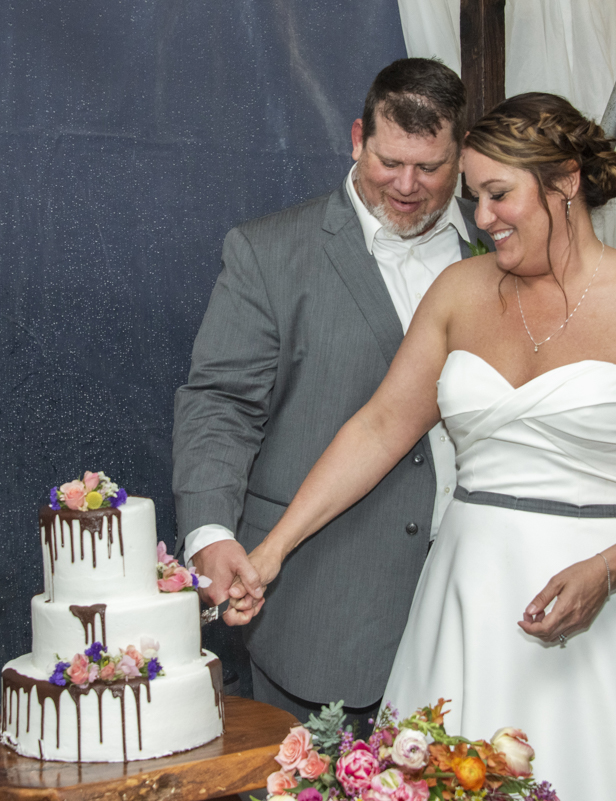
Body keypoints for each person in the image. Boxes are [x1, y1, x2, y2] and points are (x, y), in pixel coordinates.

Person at [241, 93, 616, 800]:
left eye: (499, 194)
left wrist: (606, 571)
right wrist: (273, 549)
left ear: (565, 180)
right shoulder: (459, 292)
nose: (482, 218)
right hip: (467, 598)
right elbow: (381, 426)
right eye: (475, 196)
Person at [171, 58, 491, 725]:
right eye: (389, 161)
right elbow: (220, 404)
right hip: (320, 609)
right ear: (356, 139)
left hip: (474, 606)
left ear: (460, 159)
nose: (407, 185)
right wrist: (209, 530)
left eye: (429, 168)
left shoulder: (496, 257)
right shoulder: (269, 253)